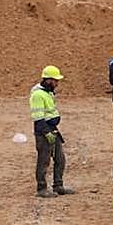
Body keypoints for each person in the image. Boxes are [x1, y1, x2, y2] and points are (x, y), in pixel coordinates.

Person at [30, 65, 73, 198]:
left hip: (52, 129)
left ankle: (58, 185)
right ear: (48, 80)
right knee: (44, 160)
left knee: (60, 159)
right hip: (44, 131)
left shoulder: (47, 92)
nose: (57, 83)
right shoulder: (38, 95)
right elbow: (38, 118)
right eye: (55, 81)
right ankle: (41, 188)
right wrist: (46, 133)